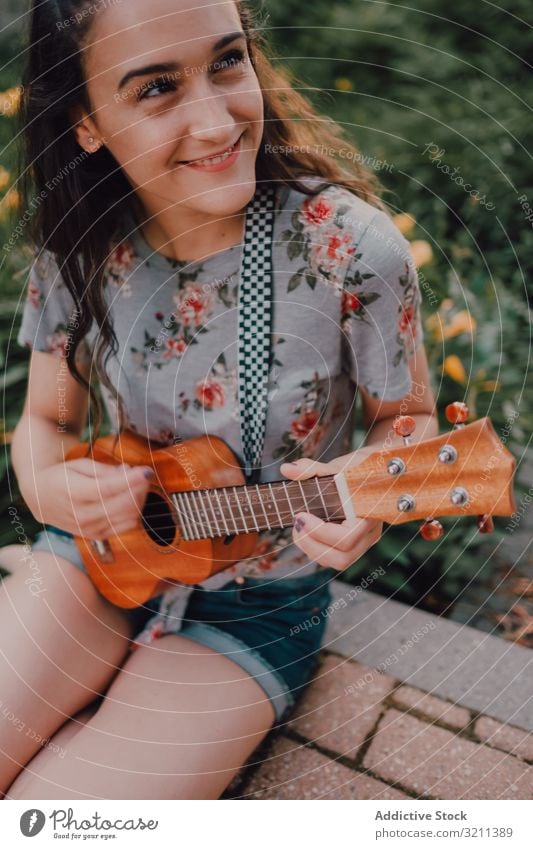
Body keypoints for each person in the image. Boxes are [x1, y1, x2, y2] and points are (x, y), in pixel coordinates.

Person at [0, 0, 437, 799]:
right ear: (86, 122)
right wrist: (49, 486)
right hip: (103, 554)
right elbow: (44, 423)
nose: (215, 122)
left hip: (261, 602)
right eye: (157, 87)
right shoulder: (79, 244)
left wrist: (369, 494)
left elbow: (404, 425)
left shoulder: (349, 249)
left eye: (228, 61)